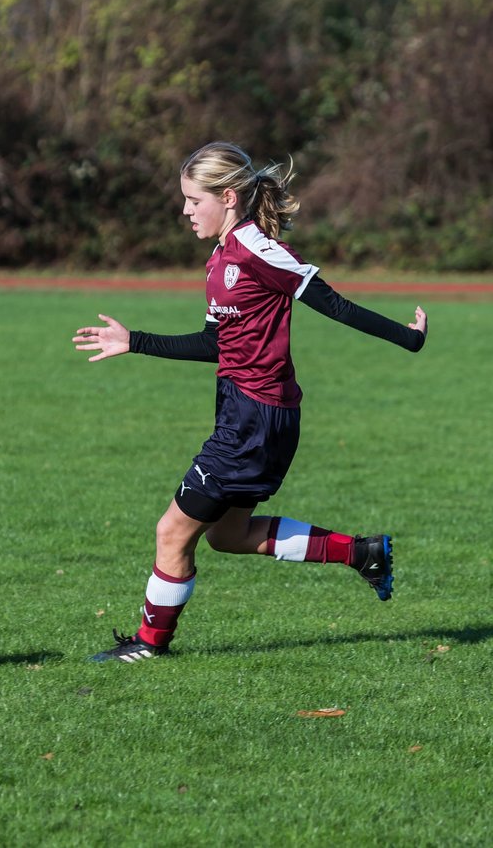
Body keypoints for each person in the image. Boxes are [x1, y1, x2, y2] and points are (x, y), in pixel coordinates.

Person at [73, 141, 428, 663]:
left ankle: (148, 647)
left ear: (230, 197)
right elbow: (216, 344)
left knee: (171, 531)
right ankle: (362, 552)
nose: (186, 211)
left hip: (254, 419)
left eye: (195, 200)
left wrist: (408, 337)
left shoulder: (258, 251)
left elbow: (333, 304)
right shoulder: (221, 258)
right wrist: (135, 342)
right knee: (228, 535)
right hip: (248, 412)